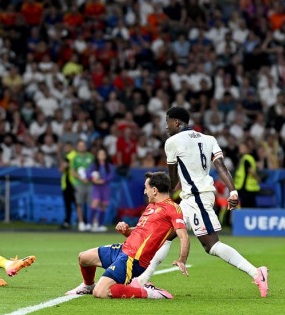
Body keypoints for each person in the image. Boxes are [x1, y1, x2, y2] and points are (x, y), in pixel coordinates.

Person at [136, 107, 269, 297]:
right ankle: (142, 280)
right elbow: (221, 166)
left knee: (211, 245)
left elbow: (173, 181)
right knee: (164, 235)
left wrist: (158, 188)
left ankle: (257, 273)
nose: (166, 127)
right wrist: (232, 190)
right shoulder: (209, 139)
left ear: (176, 122)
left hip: (197, 197)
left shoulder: (172, 142)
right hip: (192, 198)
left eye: (167, 122)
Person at [65, 171, 190, 299]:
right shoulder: (151, 206)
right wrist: (126, 230)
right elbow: (140, 231)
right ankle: (88, 286)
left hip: (134, 259)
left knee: (100, 292)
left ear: (154, 190)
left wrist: (182, 259)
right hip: (123, 250)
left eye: (146, 188)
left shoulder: (173, 209)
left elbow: (184, 236)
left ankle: (149, 293)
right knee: (84, 258)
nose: (144, 192)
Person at [87, 148, 115, 232]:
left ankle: (100, 225)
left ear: (106, 156)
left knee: (103, 206)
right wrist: (93, 179)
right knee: (95, 203)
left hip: (105, 187)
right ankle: (89, 224)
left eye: (103, 154)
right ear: (97, 156)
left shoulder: (109, 166)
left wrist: (103, 180)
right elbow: (88, 173)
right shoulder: (94, 165)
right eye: (100, 154)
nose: (102, 156)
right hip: (96, 187)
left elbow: (111, 175)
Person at [70, 139, 93, 231]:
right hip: (78, 183)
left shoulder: (90, 157)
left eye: (83, 145)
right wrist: (81, 179)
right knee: (79, 203)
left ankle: (92, 223)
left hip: (90, 183)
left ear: (85, 146)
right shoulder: (75, 158)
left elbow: (94, 169)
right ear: (77, 147)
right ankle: (81, 222)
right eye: (80, 145)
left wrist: (89, 178)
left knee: (91, 203)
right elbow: (72, 171)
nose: (82, 147)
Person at [233, 140, 261, 208]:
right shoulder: (243, 158)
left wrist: (257, 178)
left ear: (246, 148)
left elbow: (250, 170)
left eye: (242, 147)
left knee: (247, 206)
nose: (240, 149)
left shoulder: (246, 159)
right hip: (245, 187)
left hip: (246, 187)